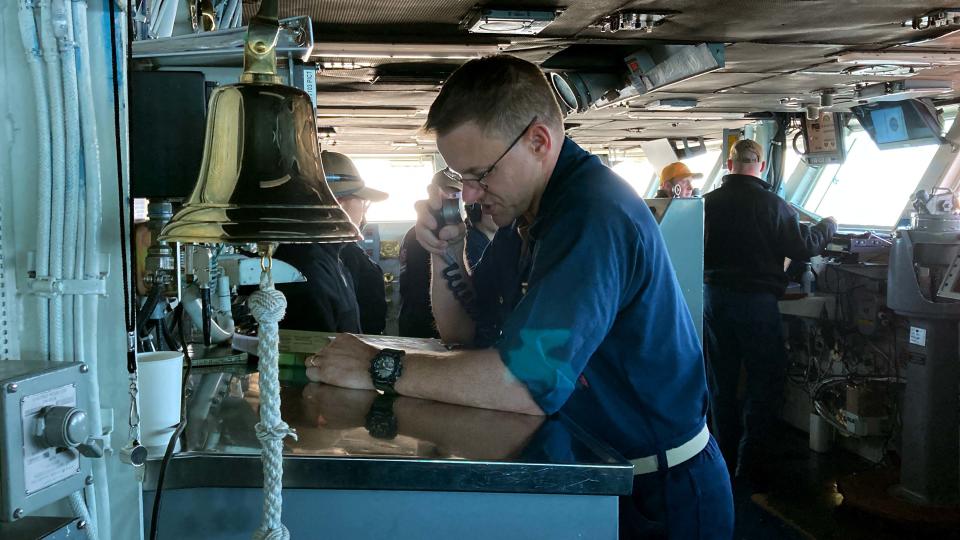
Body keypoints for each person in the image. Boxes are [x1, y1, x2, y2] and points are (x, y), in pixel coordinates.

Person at [306, 55, 733, 538]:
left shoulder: (591, 216)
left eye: (479, 173)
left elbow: (522, 387)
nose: (469, 194)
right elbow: (462, 331)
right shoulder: (527, 217)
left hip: (660, 495)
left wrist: (377, 365)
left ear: (538, 141)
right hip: (591, 474)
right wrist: (444, 252)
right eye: (459, 179)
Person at [703, 139, 837, 488]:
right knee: (765, 380)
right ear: (761, 166)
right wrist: (828, 225)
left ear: (729, 164)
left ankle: (721, 460)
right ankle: (751, 463)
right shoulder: (775, 205)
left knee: (722, 382)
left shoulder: (705, 204)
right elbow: (804, 246)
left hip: (714, 300)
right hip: (755, 304)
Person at [397, 183, 497, 338]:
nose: (469, 197)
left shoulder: (497, 242)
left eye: (484, 173)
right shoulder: (499, 242)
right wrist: (450, 250)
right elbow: (462, 333)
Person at [322, 150, 389, 335]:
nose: (364, 209)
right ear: (340, 203)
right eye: (363, 201)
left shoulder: (328, 256)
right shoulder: (324, 263)